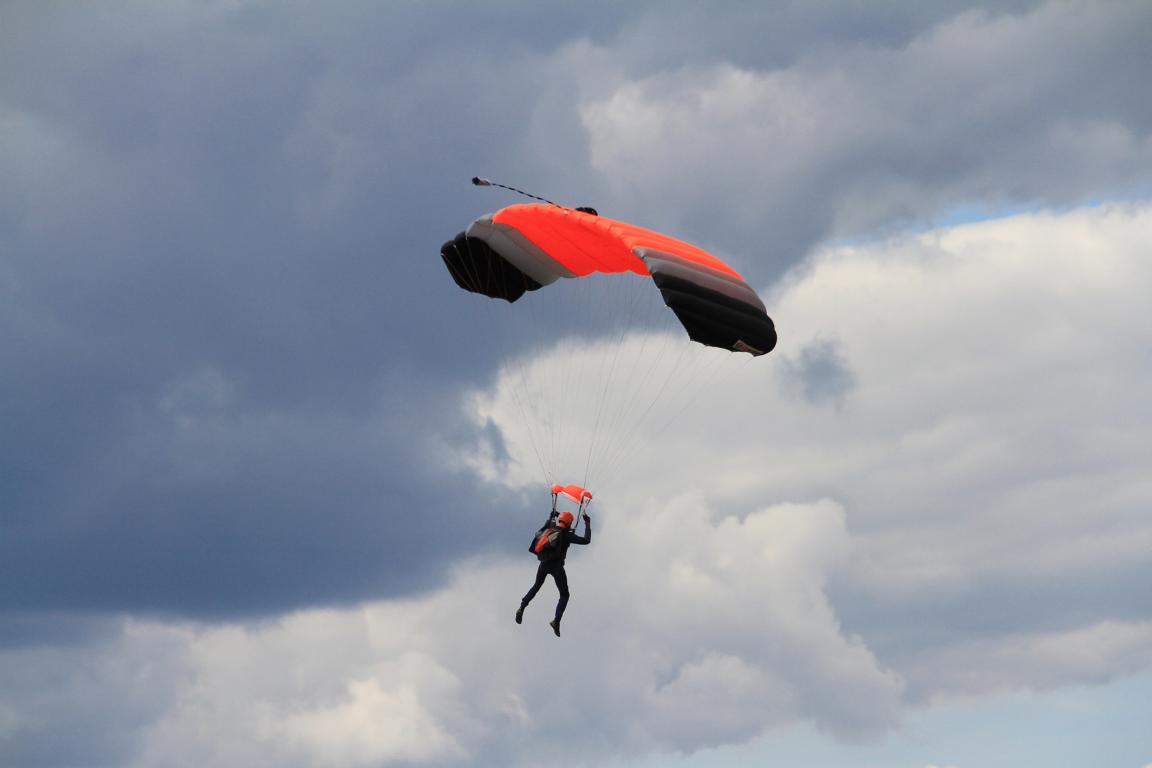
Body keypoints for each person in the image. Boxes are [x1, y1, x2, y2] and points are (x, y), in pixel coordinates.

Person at [516, 508, 591, 636]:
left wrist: (554, 514)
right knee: (564, 595)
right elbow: (586, 540)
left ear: (559, 520)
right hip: (557, 568)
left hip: (544, 564)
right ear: (569, 523)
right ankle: (556, 621)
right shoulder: (567, 535)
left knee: (536, 586)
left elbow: (548, 525)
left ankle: (522, 607)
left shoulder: (550, 527)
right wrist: (587, 523)